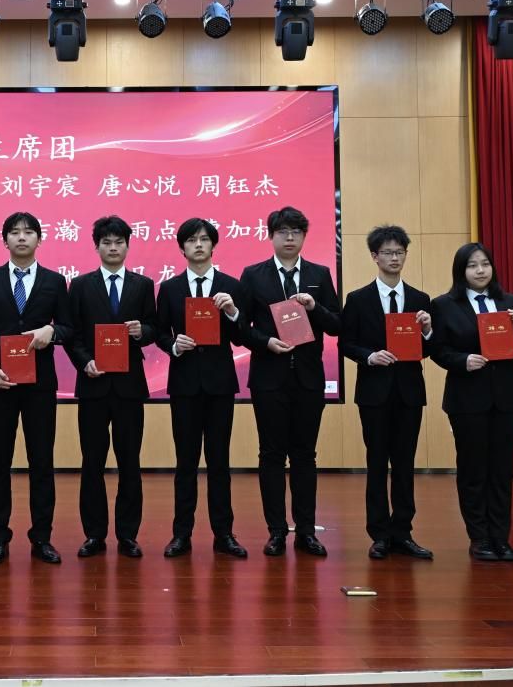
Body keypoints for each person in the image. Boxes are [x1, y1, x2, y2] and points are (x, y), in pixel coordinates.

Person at [0, 212, 73, 565]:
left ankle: (41, 537)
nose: (21, 237)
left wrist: (53, 332)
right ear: (5, 240)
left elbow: (69, 328)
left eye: (29, 232)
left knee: (41, 462)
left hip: (40, 386)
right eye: (14, 232)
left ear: (39, 239)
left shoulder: (55, 281)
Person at [239, 206, 341, 557]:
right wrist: (265, 342)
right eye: (282, 232)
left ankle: (306, 532)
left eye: (296, 232)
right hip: (268, 378)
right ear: (271, 236)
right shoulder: (253, 275)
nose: (289, 238)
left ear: (304, 236)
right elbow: (240, 329)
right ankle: (276, 531)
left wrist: (315, 307)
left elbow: (336, 325)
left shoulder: (319, 274)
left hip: (308, 380)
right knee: (271, 455)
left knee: (305, 456)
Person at [430, 243, 513, 561]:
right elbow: (437, 350)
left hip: (506, 399)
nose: (480, 270)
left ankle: (501, 537)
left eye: (485, 264)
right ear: (461, 271)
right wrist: (462, 361)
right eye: (472, 265)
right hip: (466, 399)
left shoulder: (511, 303)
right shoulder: (444, 305)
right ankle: (480, 538)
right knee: (473, 470)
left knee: (501, 471)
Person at [339, 225, 434, 560]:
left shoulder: (420, 300)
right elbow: (346, 343)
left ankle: (403, 532)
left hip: (409, 393)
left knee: (405, 464)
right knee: (377, 462)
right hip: (374, 393)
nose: (395, 258)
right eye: (388, 253)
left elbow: (427, 350)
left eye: (400, 252)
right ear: (374, 256)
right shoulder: (358, 299)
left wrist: (427, 330)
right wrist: (369, 356)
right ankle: (379, 533)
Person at [65, 216, 157, 559]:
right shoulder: (80, 285)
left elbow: (154, 327)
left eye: (119, 242)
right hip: (93, 384)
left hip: (130, 386)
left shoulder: (143, 285)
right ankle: (94, 534)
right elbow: (72, 334)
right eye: (107, 242)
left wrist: (142, 332)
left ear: (128, 246)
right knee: (92, 462)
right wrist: (84, 361)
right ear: (97, 247)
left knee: (130, 462)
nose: (113, 247)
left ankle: (128, 535)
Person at [156, 218, 248, 558]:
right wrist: (174, 345)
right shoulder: (169, 288)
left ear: (213, 245)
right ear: (182, 247)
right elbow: (159, 332)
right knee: (186, 462)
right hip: (184, 385)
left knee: (219, 461)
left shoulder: (230, 286)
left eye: (204, 239)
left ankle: (224, 534)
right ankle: (181, 534)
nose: (198, 244)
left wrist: (233, 311)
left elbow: (241, 336)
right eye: (192, 240)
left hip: (220, 384)